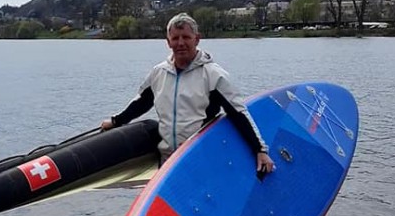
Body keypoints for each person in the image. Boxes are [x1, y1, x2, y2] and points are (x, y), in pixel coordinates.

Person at [101, 12, 275, 173]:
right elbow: (142, 102)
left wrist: (260, 150)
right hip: (168, 160)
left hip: (197, 156)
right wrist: (116, 121)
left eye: (186, 37)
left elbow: (237, 113)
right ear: (168, 42)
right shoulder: (159, 73)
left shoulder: (213, 75)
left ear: (197, 39)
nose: (180, 43)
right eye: (175, 38)